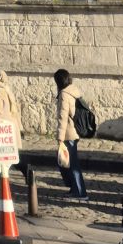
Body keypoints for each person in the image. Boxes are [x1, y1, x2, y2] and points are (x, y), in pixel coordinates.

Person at [54, 68, 88, 199]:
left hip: (69, 134)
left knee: (71, 164)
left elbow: (63, 118)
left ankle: (80, 192)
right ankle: (74, 188)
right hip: (75, 132)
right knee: (67, 162)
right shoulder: (74, 91)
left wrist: (60, 138)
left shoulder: (64, 94)